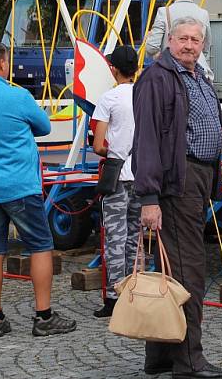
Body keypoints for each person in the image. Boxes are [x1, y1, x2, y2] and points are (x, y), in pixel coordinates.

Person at [134, 16, 222, 379]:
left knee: (172, 269)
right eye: (183, 39)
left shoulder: (196, 75)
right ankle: (190, 361)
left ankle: (159, 357)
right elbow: (146, 139)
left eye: (195, 39)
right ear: (169, 40)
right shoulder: (157, 77)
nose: (189, 45)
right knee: (188, 269)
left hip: (198, 177)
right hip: (178, 181)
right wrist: (149, 197)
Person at [0, 40, 76, 339]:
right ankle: (43, 315)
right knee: (40, 246)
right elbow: (45, 127)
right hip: (20, 185)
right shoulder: (18, 95)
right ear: (2, 63)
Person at [91, 45, 141, 318]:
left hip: (118, 175)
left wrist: (112, 152)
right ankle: (136, 291)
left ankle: (113, 297)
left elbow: (99, 145)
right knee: (136, 238)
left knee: (115, 238)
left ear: (113, 68)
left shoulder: (108, 98)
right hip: (142, 175)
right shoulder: (146, 96)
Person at [145, 0, 213, 79]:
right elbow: (206, 47)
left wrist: (156, 53)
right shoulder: (203, 14)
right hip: (199, 74)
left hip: (171, 74)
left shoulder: (164, 12)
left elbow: (152, 47)